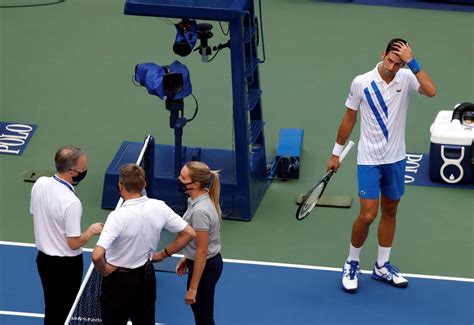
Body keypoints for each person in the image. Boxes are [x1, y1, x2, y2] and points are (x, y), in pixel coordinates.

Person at [327, 38, 436, 293]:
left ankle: (382, 266)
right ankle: (352, 262)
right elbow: (349, 117)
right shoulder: (362, 82)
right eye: (390, 60)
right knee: (367, 215)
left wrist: (412, 62)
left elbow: (431, 91)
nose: (392, 67)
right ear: (382, 54)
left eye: (398, 63)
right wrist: (335, 154)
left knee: (390, 211)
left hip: (396, 159)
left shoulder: (407, 77)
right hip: (369, 160)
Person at [92, 163, 196, 325]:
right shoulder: (159, 207)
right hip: (146, 278)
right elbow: (189, 233)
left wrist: (104, 271)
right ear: (144, 184)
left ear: (121, 186)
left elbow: (97, 255)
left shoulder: (116, 217)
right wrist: (163, 255)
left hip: (117, 282)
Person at [30, 145, 103, 324]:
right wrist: (91, 231)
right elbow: (73, 243)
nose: (86, 170)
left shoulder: (40, 184)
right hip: (66, 267)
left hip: (44, 262)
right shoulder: (71, 202)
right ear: (71, 172)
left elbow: (35, 215)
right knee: (64, 313)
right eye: (83, 168)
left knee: (52, 308)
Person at [176, 161, 224, 325]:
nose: (179, 179)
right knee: (201, 313)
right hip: (203, 263)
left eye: (183, 177)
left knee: (203, 316)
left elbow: (202, 251)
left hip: (206, 266)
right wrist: (187, 256)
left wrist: (193, 288)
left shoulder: (200, 211)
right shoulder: (200, 198)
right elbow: (200, 240)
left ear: (194, 184)